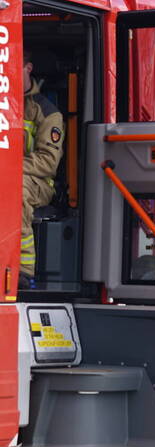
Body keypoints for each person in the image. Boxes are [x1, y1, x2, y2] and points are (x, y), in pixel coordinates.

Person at [21, 50, 65, 288]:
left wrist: (9, 166)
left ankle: (23, 270)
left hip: (37, 182)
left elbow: (48, 162)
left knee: (14, 190)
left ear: (29, 68)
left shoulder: (47, 112)